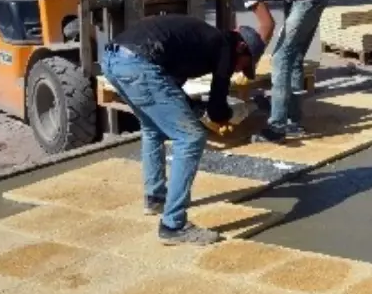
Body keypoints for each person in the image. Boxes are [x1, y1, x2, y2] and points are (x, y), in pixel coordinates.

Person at [101, 14, 266, 245]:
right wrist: (236, 113)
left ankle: (156, 197)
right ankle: (173, 225)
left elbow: (171, 89)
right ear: (241, 47)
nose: (238, 70)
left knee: (153, 129)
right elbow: (217, 111)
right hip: (140, 63)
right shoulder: (225, 48)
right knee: (191, 137)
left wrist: (198, 109)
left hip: (113, 59)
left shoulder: (200, 39)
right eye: (244, 65)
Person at [190, 0, 329, 143]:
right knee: (293, 56)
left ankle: (277, 126)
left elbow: (267, 24)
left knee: (280, 58)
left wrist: (249, 61)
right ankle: (293, 121)